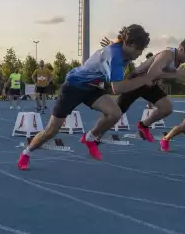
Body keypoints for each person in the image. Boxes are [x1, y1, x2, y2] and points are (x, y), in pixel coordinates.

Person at [17, 25, 155, 171]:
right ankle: (26, 153)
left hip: (91, 87)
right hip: (73, 86)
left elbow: (118, 40)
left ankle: (90, 138)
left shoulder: (121, 44)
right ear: (129, 43)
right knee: (51, 131)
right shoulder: (115, 57)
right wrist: (145, 79)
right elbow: (117, 89)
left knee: (115, 113)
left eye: (142, 49)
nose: (140, 53)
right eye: (139, 49)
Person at [115, 37, 185, 143]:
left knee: (166, 108)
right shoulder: (167, 54)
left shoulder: (178, 61)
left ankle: (143, 126)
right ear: (182, 49)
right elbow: (152, 74)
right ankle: (95, 135)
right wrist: (176, 75)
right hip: (136, 81)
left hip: (149, 85)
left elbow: (157, 76)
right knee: (115, 113)